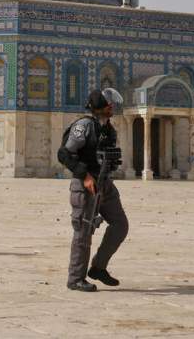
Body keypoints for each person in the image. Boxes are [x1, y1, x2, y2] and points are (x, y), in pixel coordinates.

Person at [59, 88, 129, 292]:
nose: (112, 108)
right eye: (109, 105)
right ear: (100, 107)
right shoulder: (84, 126)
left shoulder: (108, 129)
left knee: (120, 225)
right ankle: (75, 279)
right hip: (85, 185)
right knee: (84, 231)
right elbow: (64, 154)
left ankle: (98, 267)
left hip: (105, 183)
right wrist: (85, 175)